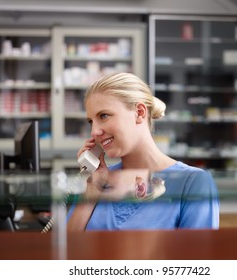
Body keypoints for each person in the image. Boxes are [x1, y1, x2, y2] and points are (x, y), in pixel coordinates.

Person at [67, 72, 219, 231]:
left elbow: (198, 253)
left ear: (139, 112)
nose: (94, 131)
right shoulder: (98, 180)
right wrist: (92, 190)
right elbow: (66, 250)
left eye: (104, 116)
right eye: (91, 121)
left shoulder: (193, 182)